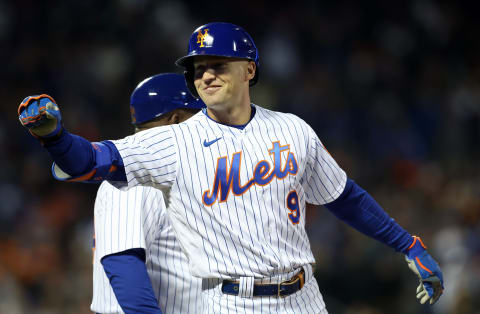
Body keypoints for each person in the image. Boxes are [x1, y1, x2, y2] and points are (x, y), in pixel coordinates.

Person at [18, 22, 444, 313]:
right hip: (229, 301)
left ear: (250, 70)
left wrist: (407, 244)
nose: (206, 76)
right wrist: (55, 138)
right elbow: (92, 161)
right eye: (199, 69)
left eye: (217, 65)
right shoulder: (172, 141)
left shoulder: (292, 129)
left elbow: (344, 197)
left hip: (304, 296)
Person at [91, 73, 204, 314]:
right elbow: (123, 266)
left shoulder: (167, 170)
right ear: (176, 120)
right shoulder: (134, 174)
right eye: (200, 117)